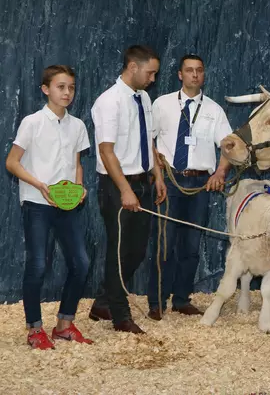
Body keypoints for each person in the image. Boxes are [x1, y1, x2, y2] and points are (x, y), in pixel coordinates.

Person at [5, 65, 93, 349]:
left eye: (71, 87)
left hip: (67, 205)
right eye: (60, 87)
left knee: (81, 263)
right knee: (38, 264)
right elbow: (12, 162)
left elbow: (77, 164)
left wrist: (79, 188)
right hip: (36, 203)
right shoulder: (32, 122)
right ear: (46, 89)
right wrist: (40, 184)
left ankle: (64, 325)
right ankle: (34, 329)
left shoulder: (78, 126)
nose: (67, 92)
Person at [147, 54, 234, 320]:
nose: (194, 75)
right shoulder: (161, 104)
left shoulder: (214, 110)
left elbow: (229, 145)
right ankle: (157, 301)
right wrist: (157, 170)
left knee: (192, 246)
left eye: (199, 71)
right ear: (180, 75)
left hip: (200, 185)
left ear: (203, 75)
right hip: (170, 181)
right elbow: (147, 141)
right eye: (189, 70)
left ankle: (182, 299)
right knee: (165, 243)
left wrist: (220, 172)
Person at [88, 45, 167, 334]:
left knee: (137, 251)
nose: (153, 79)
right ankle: (120, 317)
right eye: (150, 72)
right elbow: (106, 152)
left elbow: (150, 142)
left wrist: (157, 176)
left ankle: (103, 302)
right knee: (119, 251)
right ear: (132, 67)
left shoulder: (143, 98)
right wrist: (125, 190)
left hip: (143, 181)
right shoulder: (109, 102)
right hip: (117, 185)